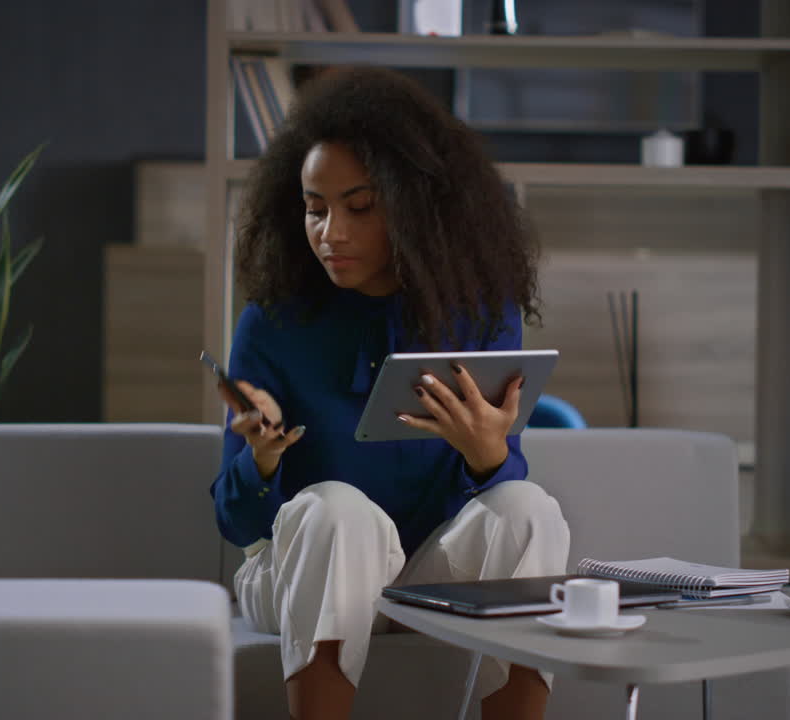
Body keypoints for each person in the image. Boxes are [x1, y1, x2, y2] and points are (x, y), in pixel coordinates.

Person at [209, 65, 571, 720]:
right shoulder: (273, 322)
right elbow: (235, 522)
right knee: (340, 512)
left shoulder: (483, 316)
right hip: (299, 573)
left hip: (425, 579)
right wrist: (261, 461)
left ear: (413, 208)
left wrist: (490, 456)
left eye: (359, 207)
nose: (331, 233)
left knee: (529, 508)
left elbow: (496, 509)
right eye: (315, 209)